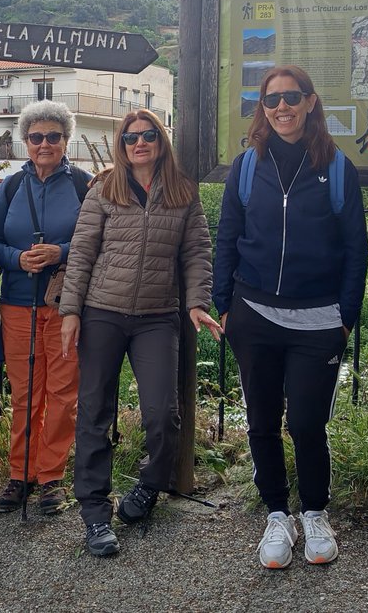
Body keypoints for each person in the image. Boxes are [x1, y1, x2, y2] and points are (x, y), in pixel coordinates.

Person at [212, 65, 368, 570]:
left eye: (292, 97)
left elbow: (355, 248)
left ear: (310, 102)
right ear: (264, 107)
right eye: (272, 99)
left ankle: (315, 512)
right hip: (254, 311)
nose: (282, 107)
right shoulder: (247, 166)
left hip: (318, 317)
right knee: (260, 421)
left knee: (306, 422)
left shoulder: (336, 166)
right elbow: (227, 236)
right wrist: (225, 304)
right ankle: (277, 513)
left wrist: (346, 315)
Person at [60, 110, 218, 557]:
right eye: (131, 138)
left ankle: (149, 486)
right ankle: (94, 513)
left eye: (148, 135)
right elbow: (83, 252)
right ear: (121, 144)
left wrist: (197, 303)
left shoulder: (184, 193)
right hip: (102, 312)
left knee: (162, 414)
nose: (140, 144)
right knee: (94, 411)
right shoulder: (104, 189)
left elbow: (197, 253)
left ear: (161, 140)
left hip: (157, 316)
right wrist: (71, 311)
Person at [0, 99, 89, 515]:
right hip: (17, 303)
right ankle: (20, 474)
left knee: (64, 394)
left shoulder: (84, 184)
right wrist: (17, 259)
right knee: (26, 393)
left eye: (53, 136)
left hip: (66, 304)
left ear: (66, 140)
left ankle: (52, 477)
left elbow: (97, 238)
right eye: (36, 137)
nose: (44, 143)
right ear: (25, 142)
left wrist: (59, 252)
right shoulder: (10, 186)